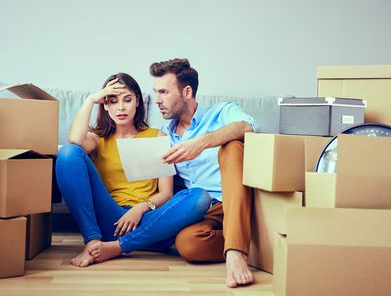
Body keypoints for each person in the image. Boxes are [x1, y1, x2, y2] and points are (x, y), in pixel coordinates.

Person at [55, 72, 211, 268]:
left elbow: (166, 193)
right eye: (112, 101)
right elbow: (75, 142)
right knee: (68, 153)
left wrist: (140, 208)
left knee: (199, 197)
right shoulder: (97, 138)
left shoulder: (156, 136)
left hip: (151, 222)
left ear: (137, 101)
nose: (120, 107)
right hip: (112, 221)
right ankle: (93, 242)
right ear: (105, 105)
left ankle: (118, 247)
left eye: (127, 100)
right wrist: (91, 100)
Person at [150, 59, 260, 288]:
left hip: (237, 198)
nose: (157, 100)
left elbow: (248, 127)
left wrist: (202, 142)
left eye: (163, 92)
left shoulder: (222, 112)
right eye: (155, 92)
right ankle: (255, 244)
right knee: (188, 244)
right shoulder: (164, 136)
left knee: (232, 146)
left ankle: (236, 252)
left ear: (186, 91)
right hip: (205, 210)